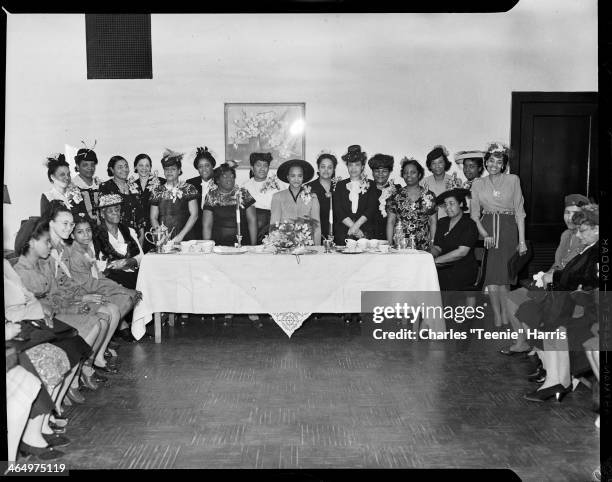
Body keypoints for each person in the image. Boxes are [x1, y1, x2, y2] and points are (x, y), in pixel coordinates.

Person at [519, 204, 599, 402]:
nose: (578, 235)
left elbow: (588, 282)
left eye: (582, 231)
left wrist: (556, 278)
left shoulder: (598, 252)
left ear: (598, 229)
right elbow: (574, 276)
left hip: (591, 309)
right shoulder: (588, 248)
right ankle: (554, 380)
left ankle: (558, 381)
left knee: (554, 323)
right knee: (543, 316)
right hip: (576, 302)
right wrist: (556, 277)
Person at [502, 194, 589, 355]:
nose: (569, 218)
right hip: (552, 285)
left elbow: (573, 272)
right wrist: (545, 274)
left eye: (575, 213)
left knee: (530, 308)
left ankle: (540, 348)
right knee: (511, 298)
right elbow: (558, 263)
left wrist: (551, 277)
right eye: (566, 212)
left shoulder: (586, 238)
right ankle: (522, 343)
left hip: (567, 293)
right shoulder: (566, 235)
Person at [470, 142, 527, 328]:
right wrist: (484, 234)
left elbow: (519, 211)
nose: (494, 165)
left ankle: (507, 313)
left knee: (505, 276)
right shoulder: (478, 183)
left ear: (504, 164)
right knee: (491, 277)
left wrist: (522, 240)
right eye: (490, 161)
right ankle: (497, 315)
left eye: (498, 162)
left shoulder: (513, 180)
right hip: (486, 229)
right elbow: (474, 214)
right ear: (485, 163)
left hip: (508, 229)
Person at [68, 213, 142, 343]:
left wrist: (121, 289)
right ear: (72, 235)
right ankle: (100, 341)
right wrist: (122, 290)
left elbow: (99, 277)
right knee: (126, 299)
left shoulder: (87, 251)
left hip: (92, 289)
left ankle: (104, 339)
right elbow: (90, 285)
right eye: (80, 232)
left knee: (128, 298)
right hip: (84, 294)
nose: (86, 235)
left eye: (88, 230)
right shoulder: (75, 255)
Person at [431, 188, 479, 291]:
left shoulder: (469, 224)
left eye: (451, 203)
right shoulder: (442, 222)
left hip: (463, 268)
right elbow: (437, 247)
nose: (447, 208)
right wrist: (428, 256)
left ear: (461, 204)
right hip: (443, 266)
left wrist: (436, 261)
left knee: (443, 282)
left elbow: (461, 252)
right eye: (445, 205)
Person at [94, 194, 144, 291]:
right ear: (102, 214)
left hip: (132, 276)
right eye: (110, 211)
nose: (115, 213)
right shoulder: (96, 235)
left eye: (117, 210)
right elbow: (92, 262)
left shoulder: (129, 231)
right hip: (109, 279)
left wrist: (127, 262)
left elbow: (141, 257)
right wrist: (112, 265)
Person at [386, 158, 437, 250]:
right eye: (405, 172)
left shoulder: (429, 195)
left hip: (423, 245)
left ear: (419, 174)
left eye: (413, 172)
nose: (408, 175)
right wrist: (389, 245)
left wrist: (432, 242)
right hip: (400, 245)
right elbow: (391, 221)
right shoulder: (395, 195)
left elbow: (433, 222)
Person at [202, 161, 258, 246]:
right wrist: (207, 246)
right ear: (217, 180)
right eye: (225, 177)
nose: (229, 179)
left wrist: (253, 245)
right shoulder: (211, 196)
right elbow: (207, 224)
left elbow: (252, 220)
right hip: (218, 244)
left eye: (232, 177)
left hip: (242, 243)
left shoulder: (243, 193)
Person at [150, 149, 199, 243]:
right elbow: (153, 217)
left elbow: (194, 215)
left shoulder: (188, 188)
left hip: (186, 237)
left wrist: (180, 236)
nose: (169, 172)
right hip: (164, 239)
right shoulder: (157, 191)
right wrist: (161, 235)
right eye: (166, 169)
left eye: (173, 169)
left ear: (179, 170)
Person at [332, 145, 378, 244]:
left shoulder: (371, 184)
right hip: (343, 232)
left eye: (357, 164)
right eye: (350, 165)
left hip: (365, 232)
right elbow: (338, 210)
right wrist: (354, 228)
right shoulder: (340, 185)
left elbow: (371, 209)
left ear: (362, 166)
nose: (353, 168)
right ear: (347, 166)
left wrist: (355, 227)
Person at [270, 159, 321, 245]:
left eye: (299, 176)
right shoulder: (277, 197)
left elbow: (317, 226)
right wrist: (275, 245)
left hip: (307, 243)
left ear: (303, 177)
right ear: (288, 177)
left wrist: (318, 248)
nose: (296, 179)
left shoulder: (312, 197)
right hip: (284, 243)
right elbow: (274, 225)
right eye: (293, 176)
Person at [99, 156, 147, 246]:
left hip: (136, 236)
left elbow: (140, 213)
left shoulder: (134, 186)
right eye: (120, 167)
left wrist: (141, 235)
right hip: (117, 236)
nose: (125, 169)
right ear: (112, 170)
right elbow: (106, 215)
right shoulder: (106, 187)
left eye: (126, 166)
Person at [242, 152, 284, 244]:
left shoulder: (278, 185)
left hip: (271, 225)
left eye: (265, 165)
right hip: (249, 227)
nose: (262, 169)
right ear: (252, 168)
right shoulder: (245, 186)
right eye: (258, 165)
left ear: (268, 168)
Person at [131, 153, 165, 252]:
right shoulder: (131, 185)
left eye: (147, 165)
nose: (144, 168)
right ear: (135, 167)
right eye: (141, 165)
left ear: (150, 167)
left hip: (156, 227)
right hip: (138, 229)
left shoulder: (161, 182)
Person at [40, 154, 87, 219]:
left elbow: (84, 216)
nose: (67, 177)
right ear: (52, 177)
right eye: (62, 175)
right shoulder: (48, 196)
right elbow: (45, 224)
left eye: (68, 174)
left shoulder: (77, 192)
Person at [306, 152, 340, 240]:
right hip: (315, 234)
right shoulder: (308, 188)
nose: (326, 170)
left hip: (337, 234)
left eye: (329, 167)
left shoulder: (340, 186)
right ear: (318, 168)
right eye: (323, 167)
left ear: (334, 169)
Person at [422, 145, 462, 219]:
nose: (437, 166)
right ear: (430, 165)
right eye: (433, 163)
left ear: (445, 163)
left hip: (449, 224)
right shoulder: (423, 182)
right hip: (429, 224)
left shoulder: (454, 181)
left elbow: (459, 206)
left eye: (440, 162)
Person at [186, 147, 217, 240]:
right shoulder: (191, 183)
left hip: (215, 228)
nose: (204, 169)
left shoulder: (219, 182)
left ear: (212, 166)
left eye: (207, 165)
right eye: (200, 166)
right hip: (195, 229)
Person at [368, 153, 401, 240]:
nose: (380, 174)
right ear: (372, 172)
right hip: (369, 239)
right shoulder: (365, 188)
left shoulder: (397, 190)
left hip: (391, 238)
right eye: (377, 171)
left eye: (384, 171)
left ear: (390, 172)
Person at [71, 147, 101, 223]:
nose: (90, 168)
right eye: (85, 165)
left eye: (92, 164)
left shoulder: (99, 183)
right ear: (78, 166)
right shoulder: (72, 186)